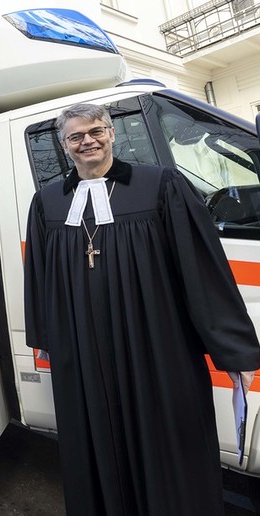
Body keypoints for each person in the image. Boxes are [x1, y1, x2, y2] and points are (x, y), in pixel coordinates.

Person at [24, 103, 260, 515]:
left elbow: (201, 267)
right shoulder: (47, 202)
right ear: (64, 145)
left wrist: (235, 349)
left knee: (166, 443)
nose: (87, 141)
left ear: (112, 134)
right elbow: (39, 274)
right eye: (76, 136)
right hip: (85, 354)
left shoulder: (160, 185)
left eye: (96, 131)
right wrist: (45, 336)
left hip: (155, 345)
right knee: (98, 444)